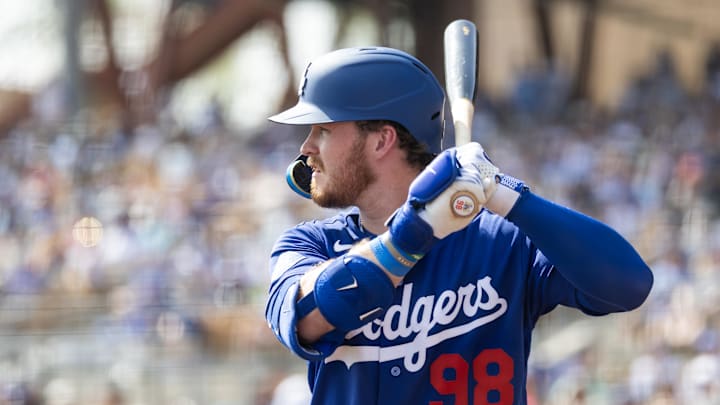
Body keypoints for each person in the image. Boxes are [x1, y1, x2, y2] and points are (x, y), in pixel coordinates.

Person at [264, 46, 653, 405]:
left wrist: (505, 193)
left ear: (382, 140)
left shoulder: (500, 239)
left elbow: (628, 285)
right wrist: (412, 235)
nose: (306, 147)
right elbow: (306, 317)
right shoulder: (309, 243)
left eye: (324, 130)